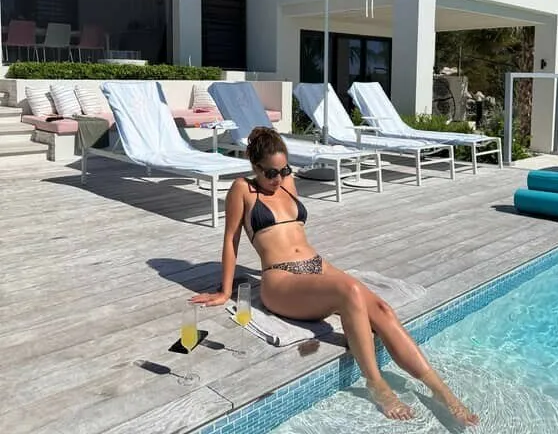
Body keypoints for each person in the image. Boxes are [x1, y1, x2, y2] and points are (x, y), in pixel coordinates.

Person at [190, 127, 478, 425]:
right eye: (271, 173)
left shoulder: (287, 182)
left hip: (317, 266)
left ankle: (442, 392)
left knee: (382, 309)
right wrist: (226, 292)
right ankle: (376, 382)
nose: (278, 179)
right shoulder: (242, 189)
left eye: (284, 170)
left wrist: (284, 177)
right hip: (281, 280)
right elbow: (231, 239)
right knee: (349, 291)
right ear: (255, 166)